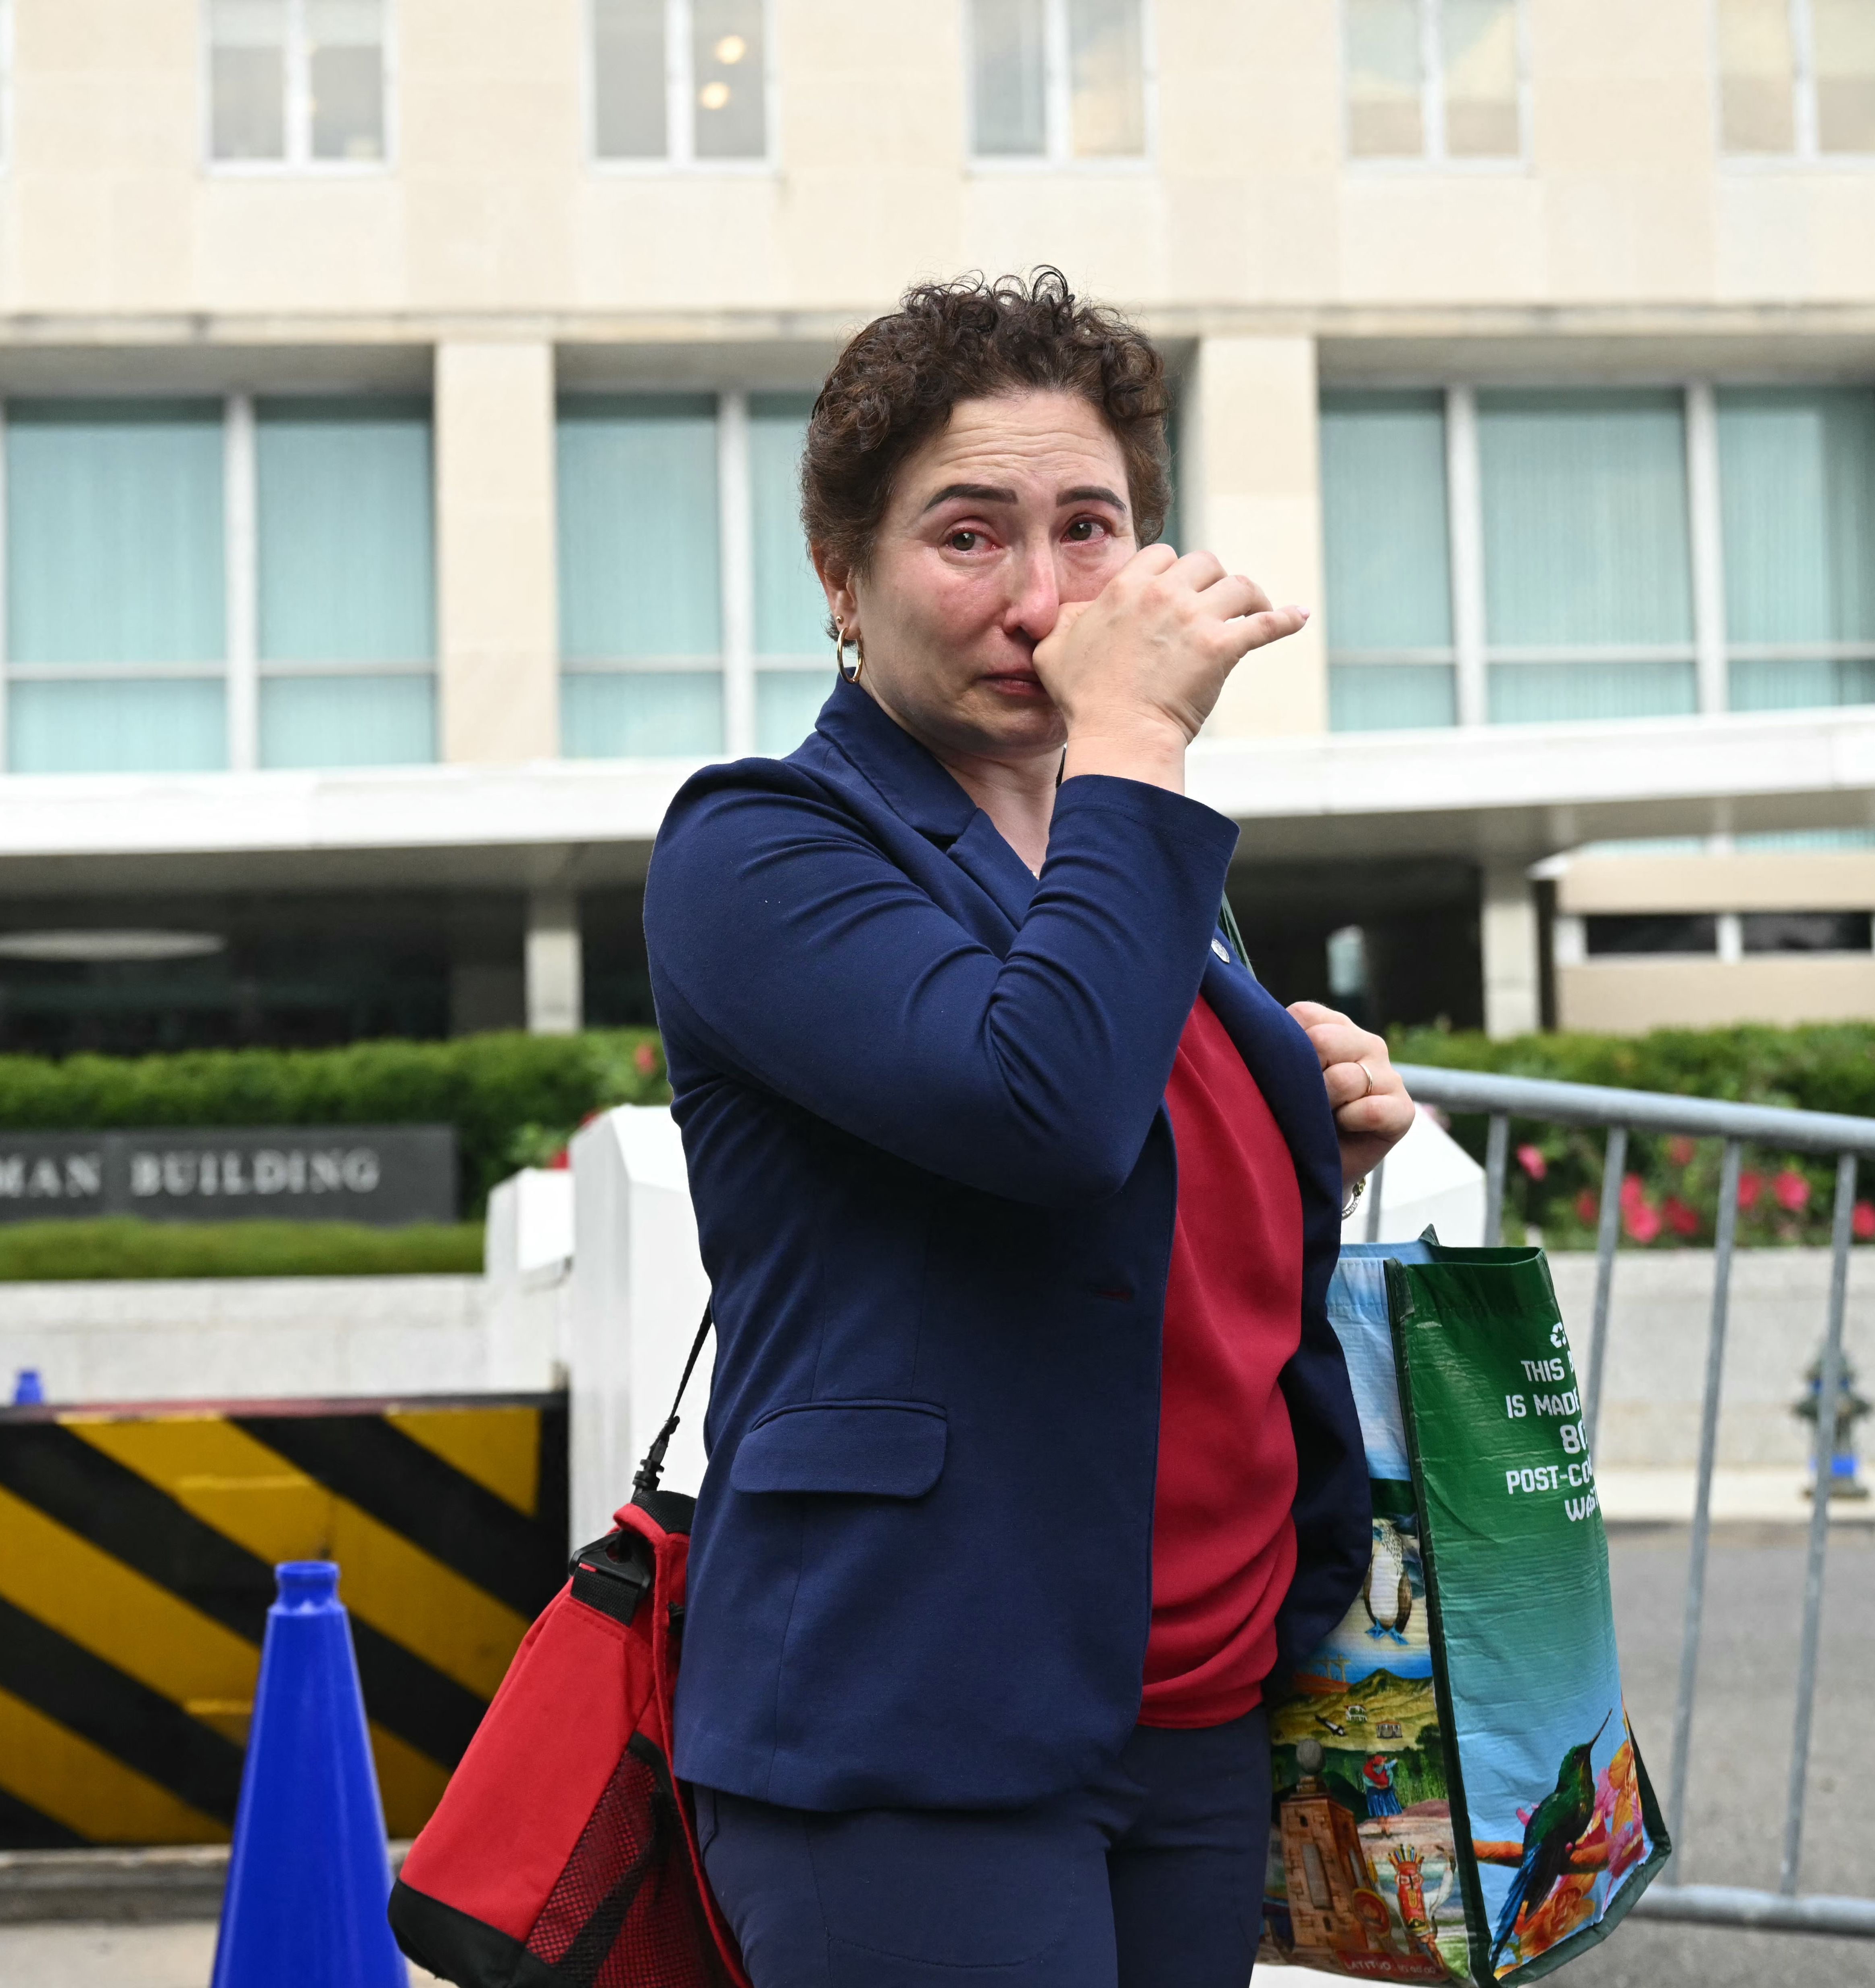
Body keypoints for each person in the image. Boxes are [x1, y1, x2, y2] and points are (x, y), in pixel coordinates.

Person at [640, 268, 1420, 1988]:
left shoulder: (1131, 869)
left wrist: (1301, 1139)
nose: (1044, 602)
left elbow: (1111, 1204)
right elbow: (1039, 1112)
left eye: (1089, 531)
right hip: (914, 1717)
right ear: (840, 583)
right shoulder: (759, 846)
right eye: (969, 536)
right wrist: (1136, 730)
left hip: (1187, 1702)